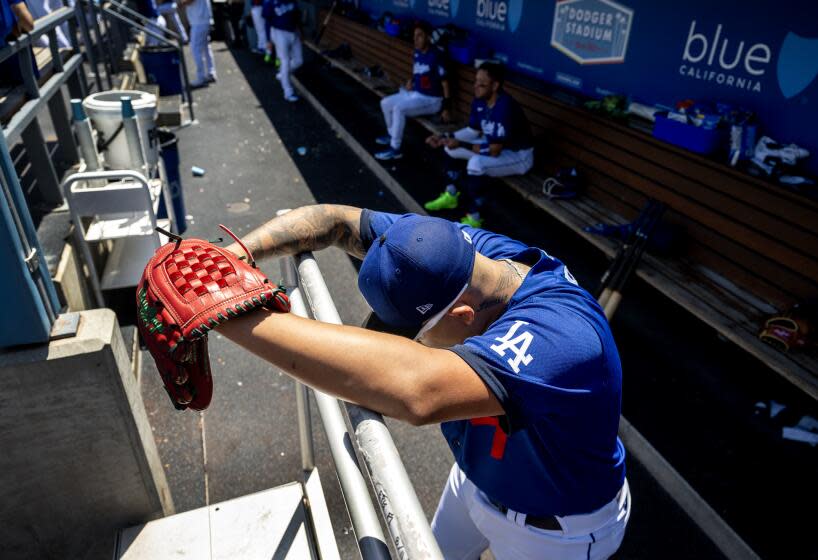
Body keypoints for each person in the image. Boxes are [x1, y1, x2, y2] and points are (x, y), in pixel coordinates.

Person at [215, 204, 631, 560]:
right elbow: (332, 218)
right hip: (476, 479)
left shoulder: (562, 335)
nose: (410, 342)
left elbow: (417, 391)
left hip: (553, 529)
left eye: (418, 332)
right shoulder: (458, 254)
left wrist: (221, 311)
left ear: (463, 316)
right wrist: (224, 263)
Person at [424, 62, 534, 228]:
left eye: (481, 83)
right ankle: (451, 196)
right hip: (495, 147)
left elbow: (494, 151)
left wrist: (460, 143)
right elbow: (473, 131)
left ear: (495, 85)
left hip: (519, 156)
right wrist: (444, 137)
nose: (475, 86)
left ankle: (475, 217)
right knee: (449, 148)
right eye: (475, 81)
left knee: (476, 164)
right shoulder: (480, 100)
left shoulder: (505, 107)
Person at [374, 21, 451, 161]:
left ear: (428, 37)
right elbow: (419, 73)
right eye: (414, 36)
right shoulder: (417, 52)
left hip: (432, 100)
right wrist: (412, 81)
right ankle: (391, 135)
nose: (415, 39)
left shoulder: (437, 55)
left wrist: (446, 108)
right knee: (385, 102)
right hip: (416, 94)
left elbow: (445, 84)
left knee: (399, 109)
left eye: (420, 36)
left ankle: (395, 148)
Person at [263, 0, 301, 102]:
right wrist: (268, 40)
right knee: (285, 62)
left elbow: (296, 15)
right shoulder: (269, 2)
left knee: (299, 61)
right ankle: (288, 92)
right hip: (279, 32)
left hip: (294, 32)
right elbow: (267, 22)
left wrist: (301, 31)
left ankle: (282, 74)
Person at [180, 0, 216, 87]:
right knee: (206, 48)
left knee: (196, 50)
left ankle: (201, 77)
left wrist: (181, 3)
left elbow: (187, 2)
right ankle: (211, 73)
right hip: (203, 20)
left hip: (199, 21)